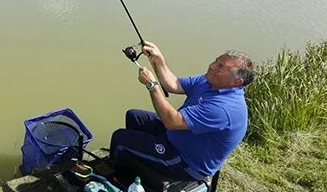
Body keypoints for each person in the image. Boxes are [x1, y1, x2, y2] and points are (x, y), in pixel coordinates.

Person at [109, 42, 255, 181]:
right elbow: (174, 84)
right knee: (134, 116)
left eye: (221, 67)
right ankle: (134, 161)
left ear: (237, 81)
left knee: (120, 138)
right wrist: (159, 59)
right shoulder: (209, 81)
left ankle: (113, 176)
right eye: (216, 61)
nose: (212, 66)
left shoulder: (224, 109)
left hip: (186, 161)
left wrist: (152, 85)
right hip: (177, 135)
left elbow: (171, 121)